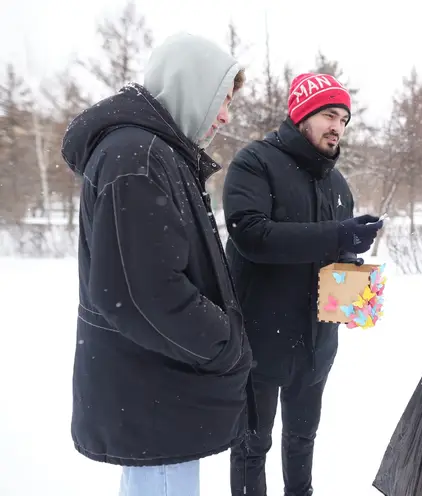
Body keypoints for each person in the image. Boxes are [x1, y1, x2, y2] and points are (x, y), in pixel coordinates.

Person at [61, 32, 253, 496]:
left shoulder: (154, 152)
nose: (225, 116)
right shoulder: (138, 157)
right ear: (191, 86)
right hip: (154, 393)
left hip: (156, 389)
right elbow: (142, 295)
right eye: (221, 99)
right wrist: (226, 344)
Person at [223, 72, 383, 496]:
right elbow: (251, 235)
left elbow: (335, 254)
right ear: (302, 116)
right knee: (251, 445)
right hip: (257, 341)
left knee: (302, 440)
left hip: (316, 344)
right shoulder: (254, 163)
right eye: (329, 115)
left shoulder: (338, 184)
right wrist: (338, 234)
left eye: (345, 119)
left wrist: (355, 288)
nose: (338, 127)